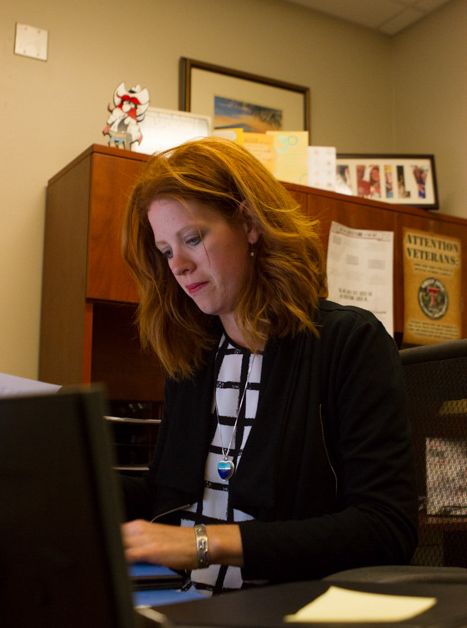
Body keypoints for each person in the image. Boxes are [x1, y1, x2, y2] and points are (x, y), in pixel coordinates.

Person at [120, 137, 418, 594]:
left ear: (249, 223)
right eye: (165, 251)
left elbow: (384, 529)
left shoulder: (347, 342)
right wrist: (72, 487)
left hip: (283, 613)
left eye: (193, 239)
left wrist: (204, 543)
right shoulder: (193, 354)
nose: (177, 266)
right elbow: (169, 497)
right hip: (182, 605)